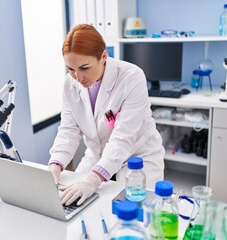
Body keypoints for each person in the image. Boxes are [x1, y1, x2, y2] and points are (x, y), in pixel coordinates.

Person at [48, 24, 164, 206]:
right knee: (78, 206)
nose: (78, 78)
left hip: (138, 159)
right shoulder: (69, 84)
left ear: (103, 56)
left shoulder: (131, 77)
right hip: (97, 155)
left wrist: (93, 180)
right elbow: (68, 130)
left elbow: (123, 138)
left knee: (138, 212)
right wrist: (55, 166)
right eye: (70, 69)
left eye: (84, 67)